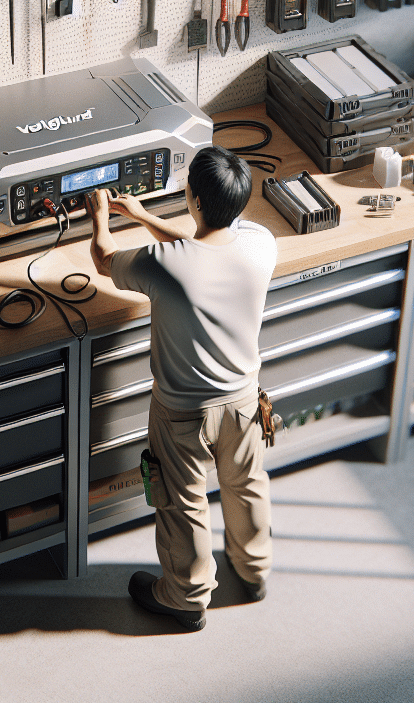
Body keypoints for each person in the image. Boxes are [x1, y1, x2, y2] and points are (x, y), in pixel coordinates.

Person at [86, 145, 277, 632]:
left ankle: (186, 598)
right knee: (247, 485)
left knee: (181, 501)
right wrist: (143, 215)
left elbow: (105, 259)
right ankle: (254, 571)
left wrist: (101, 214)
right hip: (244, 404)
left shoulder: (162, 265)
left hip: (181, 414)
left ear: (194, 198)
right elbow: (204, 249)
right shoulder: (261, 244)